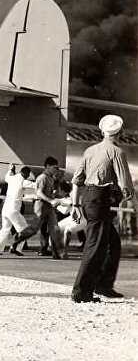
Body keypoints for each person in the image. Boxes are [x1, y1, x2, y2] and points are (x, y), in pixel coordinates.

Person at [70, 115, 134, 303]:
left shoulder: (90, 150)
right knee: (95, 246)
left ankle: (103, 285)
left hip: (89, 198)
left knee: (113, 243)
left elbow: (76, 180)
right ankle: (81, 291)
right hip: (100, 199)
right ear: (120, 133)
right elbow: (126, 186)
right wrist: (135, 206)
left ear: (101, 131)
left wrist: (75, 205)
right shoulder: (117, 152)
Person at [0, 164, 37, 256]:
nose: (28, 177)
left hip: (6, 209)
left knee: (5, 229)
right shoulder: (23, 181)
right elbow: (34, 185)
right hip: (13, 210)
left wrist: (10, 169)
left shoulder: (11, 178)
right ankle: (16, 248)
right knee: (24, 230)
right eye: (28, 175)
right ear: (26, 173)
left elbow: (6, 177)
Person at [34, 156, 66, 259]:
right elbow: (39, 192)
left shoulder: (51, 178)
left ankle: (51, 251)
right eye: (55, 168)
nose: (57, 170)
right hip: (42, 205)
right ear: (48, 166)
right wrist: (51, 200)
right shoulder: (43, 177)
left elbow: (52, 193)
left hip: (48, 206)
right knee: (37, 229)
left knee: (51, 229)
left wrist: (58, 196)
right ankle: (16, 244)